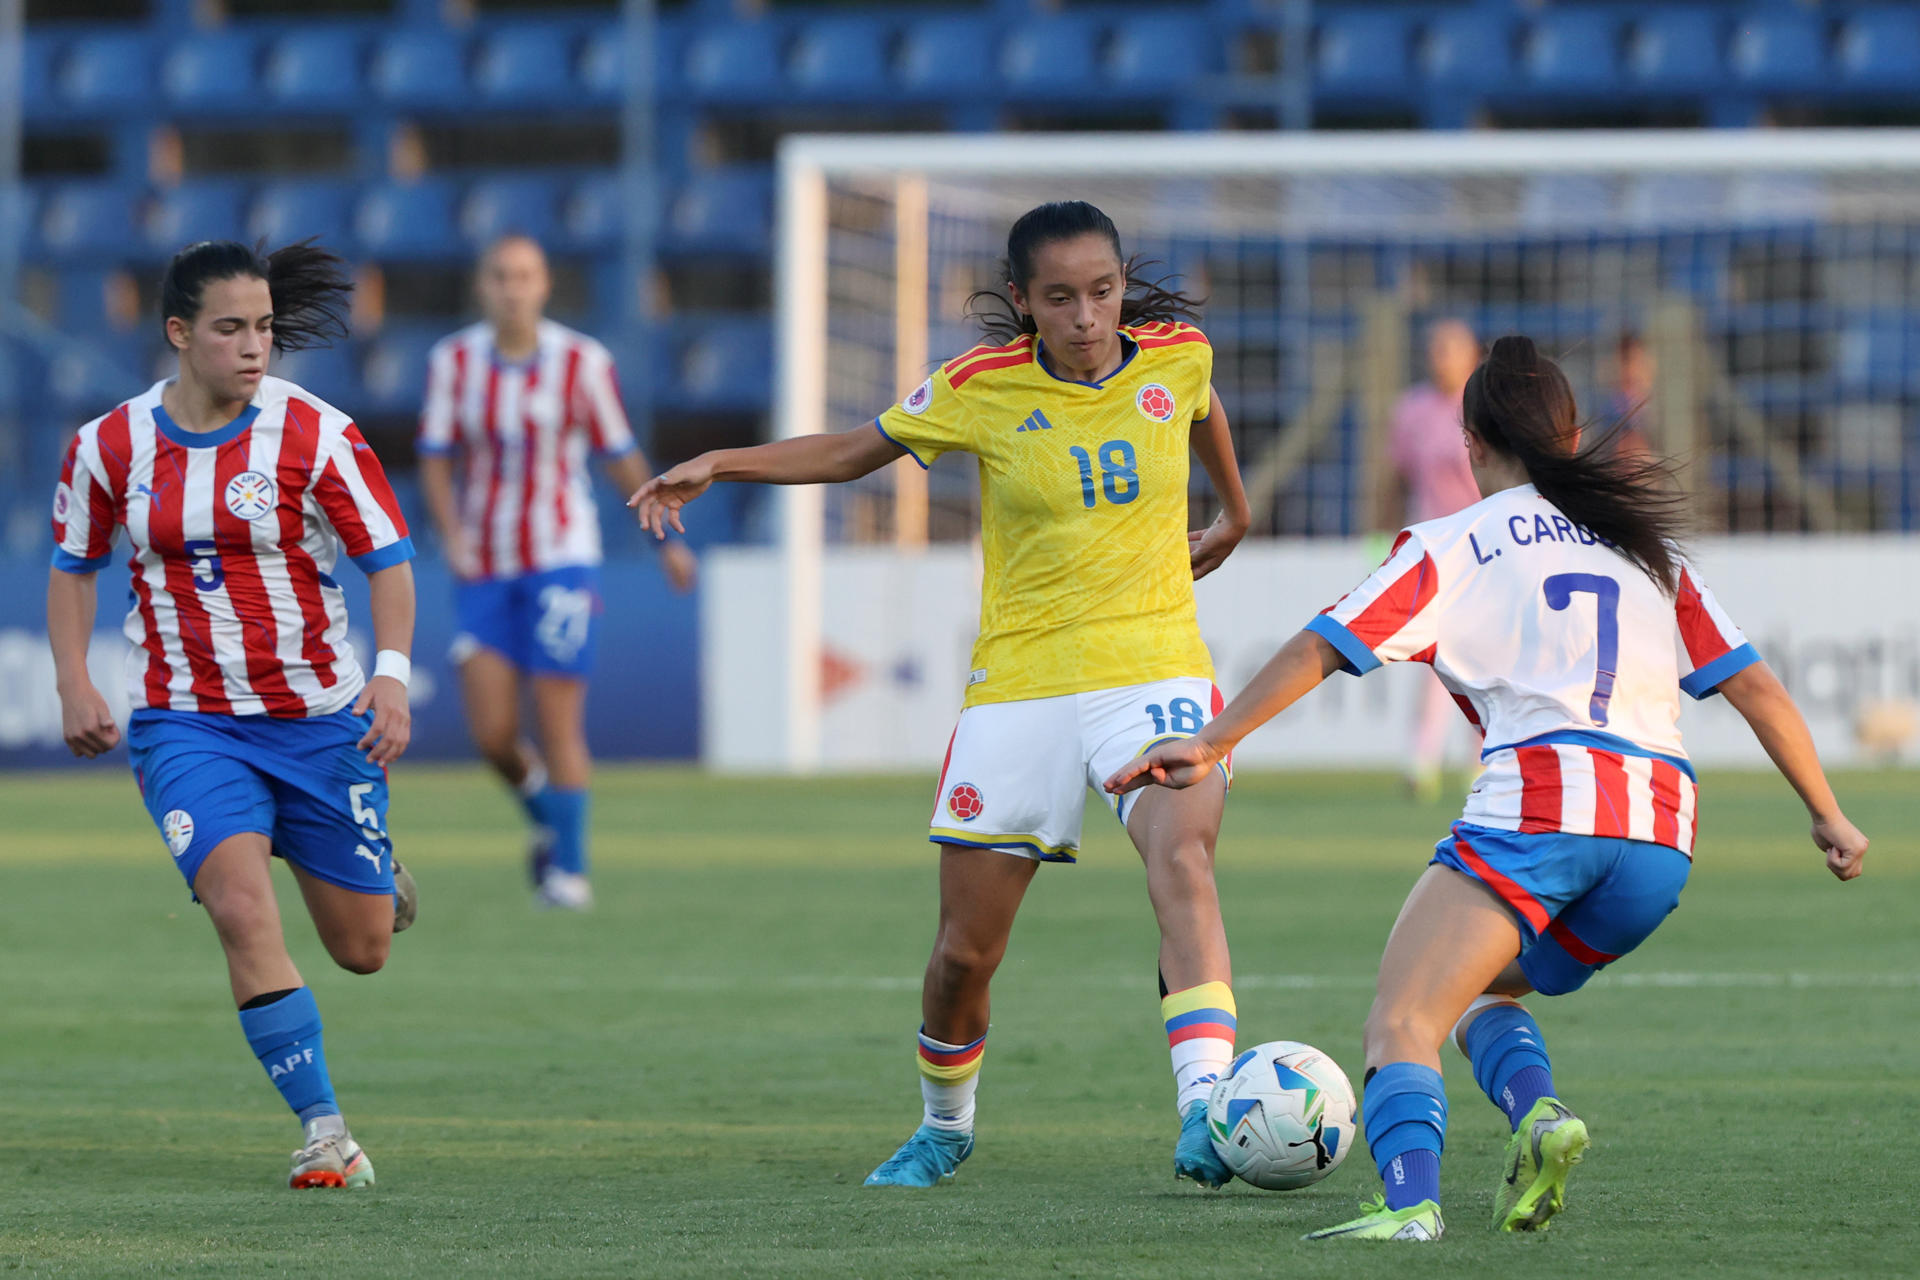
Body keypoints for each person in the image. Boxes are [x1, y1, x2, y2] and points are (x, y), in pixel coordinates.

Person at [1109, 336, 1868, 1242]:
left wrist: (1212, 739)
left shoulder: (1453, 544)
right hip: (1660, 839)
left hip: (1541, 813)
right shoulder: (1651, 551)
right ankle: (1541, 1117)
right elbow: (1756, 686)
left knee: (1400, 1018)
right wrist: (1828, 812)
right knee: (1477, 994)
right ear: (1572, 433)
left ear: (1468, 444)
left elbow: (1326, 643)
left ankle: (1409, 1206)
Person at [631, 201, 1254, 1188]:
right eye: (1062, 298)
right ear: (1022, 302)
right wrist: (722, 459)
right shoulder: (979, 387)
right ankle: (944, 1124)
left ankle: (1208, 1106)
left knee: (1183, 857)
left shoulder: (1177, 353)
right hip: (1022, 680)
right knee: (965, 951)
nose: (1089, 315)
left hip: (1156, 664)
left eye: (1103, 290)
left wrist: (1234, 508)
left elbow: (1204, 402)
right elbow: (856, 448)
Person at [48, 239, 423, 1190]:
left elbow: (389, 563)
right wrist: (72, 683)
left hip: (315, 719)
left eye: (263, 328)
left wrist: (389, 675)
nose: (255, 346)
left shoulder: (317, 434)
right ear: (179, 333)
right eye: (231, 329)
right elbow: (72, 567)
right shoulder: (110, 446)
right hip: (188, 724)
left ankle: (348, 859)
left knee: (362, 949)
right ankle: (325, 1132)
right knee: (240, 909)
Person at [418, 235, 695, 910]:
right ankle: (549, 816)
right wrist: (451, 535)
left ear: (544, 286)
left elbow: (618, 452)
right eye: (500, 276)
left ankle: (570, 874)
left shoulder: (581, 362)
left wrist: (664, 538)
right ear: (482, 286)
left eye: (525, 276)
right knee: (491, 735)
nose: (512, 288)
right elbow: (434, 457)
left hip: (562, 559)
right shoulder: (452, 361)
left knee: (558, 721)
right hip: (484, 565)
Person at [1386, 318, 1483, 801]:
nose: (1440, 357)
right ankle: (1420, 762)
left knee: (1487, 657)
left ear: (1472, 355)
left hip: (1486, 548)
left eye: (1451, 348)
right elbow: (1398, 474)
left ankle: (1482, 762)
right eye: (1435, 348)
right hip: (1434, 548)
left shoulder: (1484, 407)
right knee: (1435, 658)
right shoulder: (1412, 410)